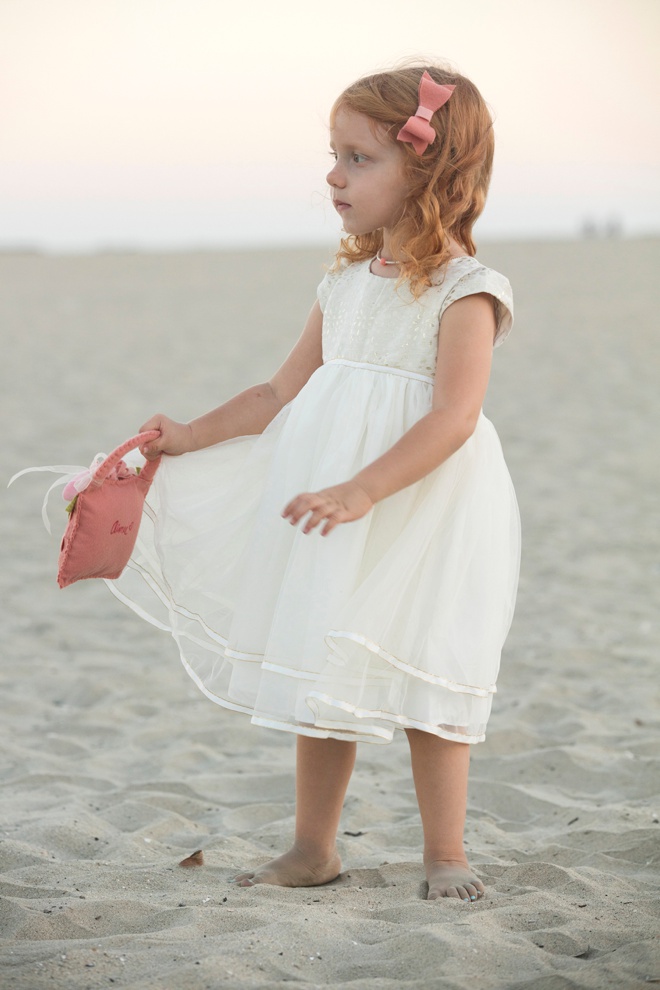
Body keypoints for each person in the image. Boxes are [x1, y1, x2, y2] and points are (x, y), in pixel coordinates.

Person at [112, 63, 521, 902]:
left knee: (426, 661)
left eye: (360, 159)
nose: (334, 177)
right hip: (336, 501)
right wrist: (189, 434)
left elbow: (452, 417)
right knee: (320, 659)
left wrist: (368, 488)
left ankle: (446, 853)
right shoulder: (342, 284)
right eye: (333, 156)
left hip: (422, 504)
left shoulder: (466, 292)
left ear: (430, 171)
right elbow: (276, 392)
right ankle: (313, 847)